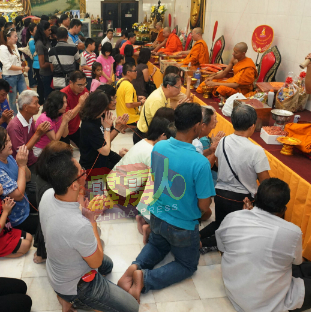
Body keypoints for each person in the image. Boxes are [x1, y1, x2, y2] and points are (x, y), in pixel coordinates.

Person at [216, 178, 311, 312]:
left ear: (255, 198)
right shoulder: (291, 231)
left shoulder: (233, 217)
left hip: (234, 292)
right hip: (267, 310)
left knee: (282, 261)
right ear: (283, 209)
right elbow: (297, 263)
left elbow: (223, 250)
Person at [118, 103, 216, 297]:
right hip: (182, 226)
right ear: (197, 126)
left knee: (156, 245)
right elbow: (204, 206)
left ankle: (135, 266)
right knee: (187, 265)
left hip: (157, 216)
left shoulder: (160, 146)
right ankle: (144, 279)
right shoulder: (200, 163)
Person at [39, 149, 140, 312]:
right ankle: (71, 299)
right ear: (73, 185)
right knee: (131, 309)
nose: (84, 172)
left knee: (108, 266)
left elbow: (71, 215)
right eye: (81, 172)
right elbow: (96, 261)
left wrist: (82, 203)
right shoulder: (79, 226)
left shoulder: (48, 195)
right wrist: (92, 220)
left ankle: (66, 294)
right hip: (75, 285)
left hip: (57, 268)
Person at [200, 104, 270, 253]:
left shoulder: (223, 141)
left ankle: (195, 239)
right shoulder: (256, 151)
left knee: (220, 224)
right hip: (242, 199)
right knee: (232, 232)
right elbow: (265, 182)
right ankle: (199, 244)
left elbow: (218, 164)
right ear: (252, 126)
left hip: (220, 193)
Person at [107, 112, 174, 243]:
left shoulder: (144, 141)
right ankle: (145, 220)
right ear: (163, 135)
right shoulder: (153, 152)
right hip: (122, 197)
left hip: (111, 185)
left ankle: (140, 215)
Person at [0, 128, 41, 253]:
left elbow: (28, 177)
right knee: (46, 225)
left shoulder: (7, 156)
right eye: (7, 141)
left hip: (25, 203)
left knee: (46, 198)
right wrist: (22, 166)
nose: (11, 144)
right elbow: (18, 195)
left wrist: (22, 164)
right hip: (15, 217)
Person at [79, 90, 129, 172]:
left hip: (103, 157)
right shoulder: (88, 125)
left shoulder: (99, 116)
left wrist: (117, 127)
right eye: (104, 108)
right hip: (93, 166)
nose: (105, 110)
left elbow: (105, 139)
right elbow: (105, 151)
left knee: (127, 163)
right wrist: (107, 128)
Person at [134, 70, 189, 144]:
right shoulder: (157, 99)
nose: (180, 90)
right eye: (178, 87)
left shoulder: (166, 95)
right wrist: (176, 110)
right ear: (168, 86)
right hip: (145, 135)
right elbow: (162, 124)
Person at [33, 90, 73, 157]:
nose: (66, 105)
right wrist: (64, 122)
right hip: (41, 150)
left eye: (66, 102)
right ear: (55, 104)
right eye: (63, 103)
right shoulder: (45, 118)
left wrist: (66, 122)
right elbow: (54, 140)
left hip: (51, 148)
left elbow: (64, 135)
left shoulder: (60, 114)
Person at [0, 27, 28, 115]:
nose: (17, 38)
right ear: (8, 38)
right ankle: (16, 117)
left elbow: (16, 60)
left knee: (25, 95)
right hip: (10, 76)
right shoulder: (3, 48)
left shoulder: (15, 46)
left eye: (16, 36)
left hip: (19, 75)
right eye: (15, 37)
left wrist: (21, 64)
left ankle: (25, 114)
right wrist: (22, 68)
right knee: (12, 99)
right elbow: (8, 66)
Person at [61, 71, 89, 146]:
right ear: (71, 82)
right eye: (79, 85)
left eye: (84, 84)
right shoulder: (63, 95)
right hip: (62, 131)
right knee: (65, 154)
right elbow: (67, 117)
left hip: (75, 129)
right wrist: (80, 104)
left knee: (87, 146)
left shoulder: (84, 90)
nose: (82, 87)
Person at [116, 62, 144, 128]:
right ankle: (127, 125)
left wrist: (136, 97)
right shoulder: (129, 86)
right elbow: (128, 104)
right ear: (128, 72)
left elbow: (123, 96)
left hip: (121, 116)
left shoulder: (120, 81)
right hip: (130, 118)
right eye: (134, 71)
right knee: (147, 125)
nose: (136, 72)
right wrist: (141, 102)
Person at [30, 21, 52, 103]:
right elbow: (42, 64)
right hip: (45, 74)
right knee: (47, 97)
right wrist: (52, 63)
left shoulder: (46, 41)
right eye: (48, 30)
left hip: (50, 72)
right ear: (43, 31)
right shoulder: (39, 43)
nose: (50, 32)